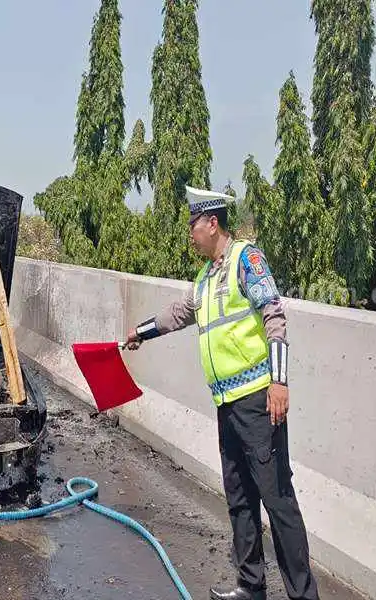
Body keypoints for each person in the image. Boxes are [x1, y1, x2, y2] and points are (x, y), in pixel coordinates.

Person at [124, 186, 319, 600]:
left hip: (257, 401)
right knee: (240, 500)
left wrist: (279, 382)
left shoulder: (245, 260)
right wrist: (141, 333)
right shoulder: (205, 277)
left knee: (277, 501)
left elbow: (274, 318)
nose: (190, 234)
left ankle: (304, 595)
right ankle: (251, 587)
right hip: (226, 405)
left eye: (194, 226)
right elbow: (179, 314)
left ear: (212, 223)